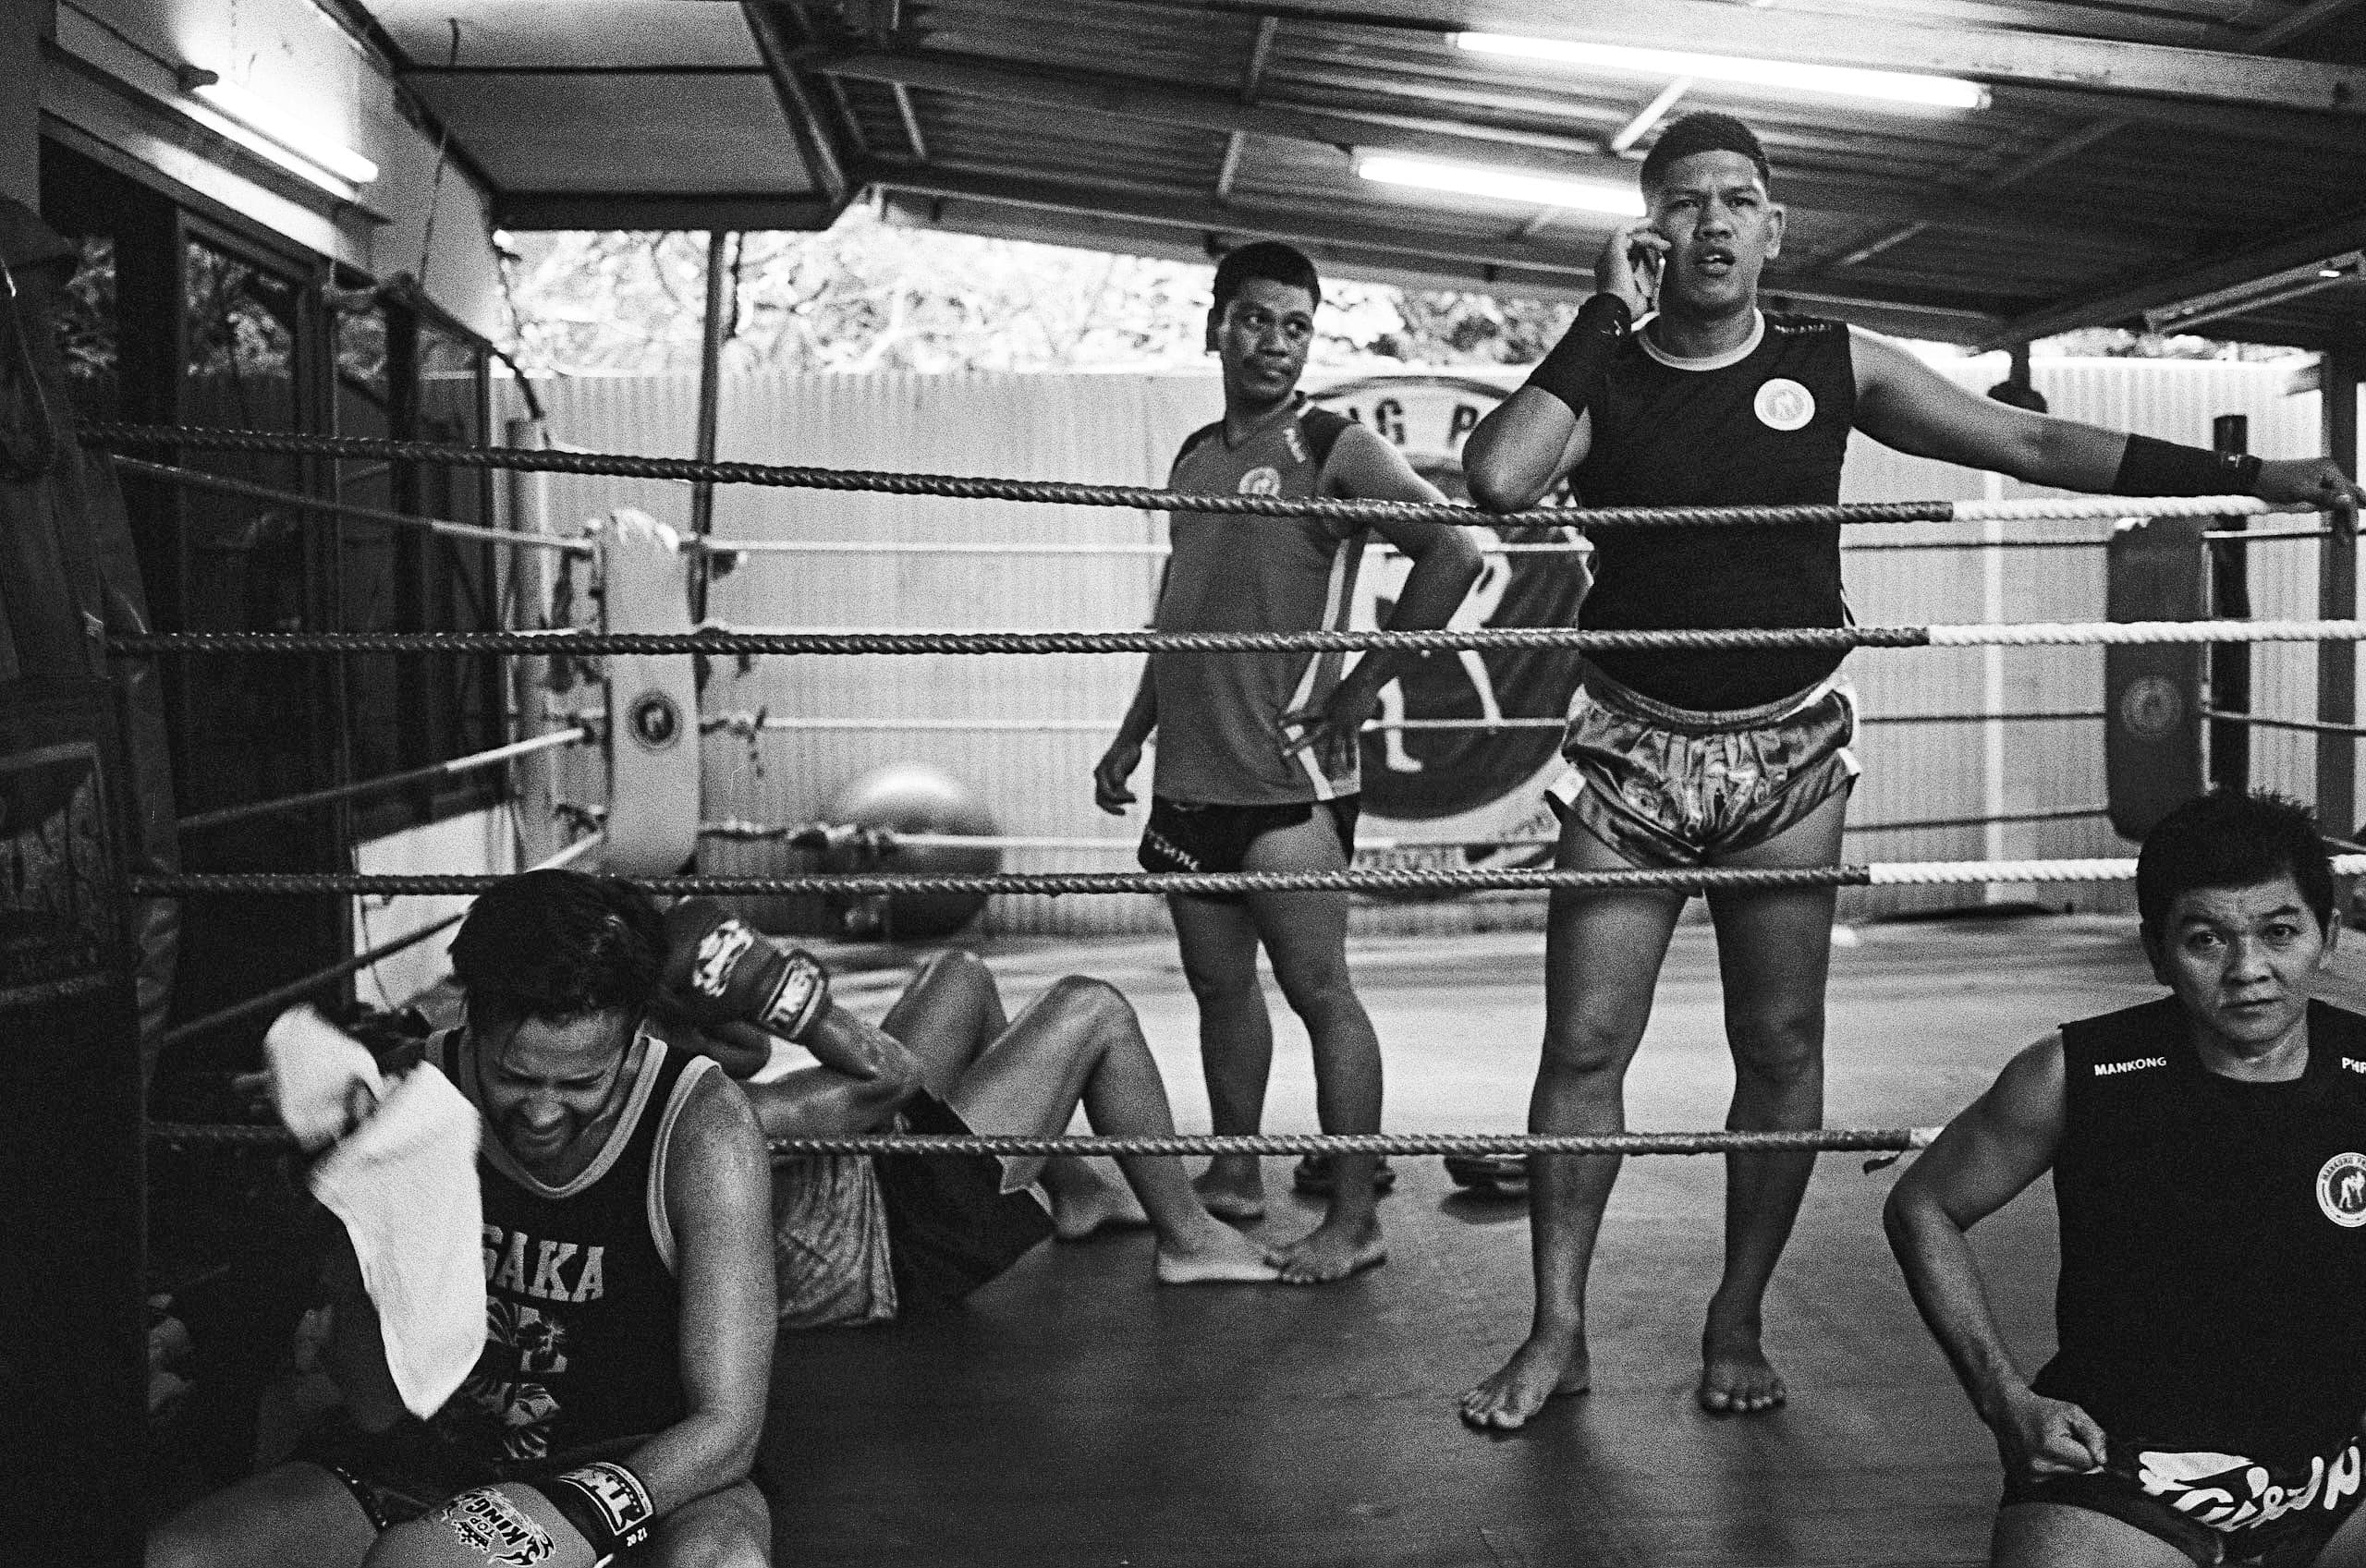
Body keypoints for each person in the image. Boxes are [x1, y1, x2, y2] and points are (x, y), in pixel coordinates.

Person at [1456, 110, 2366, 1429]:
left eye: (1741, 200)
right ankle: (1559, 1329)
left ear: (1777, 227)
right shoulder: (1605, 372)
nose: (1714, 223)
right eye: (1686, 202)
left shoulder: (1834, 360)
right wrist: (1603, 313)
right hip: (1630, 748)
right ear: (1652, 229)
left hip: (1786, 746)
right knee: (1586, 1042)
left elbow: (2033, 445)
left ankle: (1737, 1313)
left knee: (1778, 1043)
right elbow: (1497, 476)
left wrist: (2259, 471)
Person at [149, 869, 777, 1568]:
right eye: (515, 1076)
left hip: (638, 1469)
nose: (541, 1112)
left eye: (580, 1082)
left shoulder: (702, 1130)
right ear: (471, 1021)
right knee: (177, 1558)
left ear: (633, 1039)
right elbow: (374, 1406)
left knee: (720, 1563)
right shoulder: (415, 1099)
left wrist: (575, 1518)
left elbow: (729, 1426)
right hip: (428, 1468)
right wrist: (355, 1191)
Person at [1093, 239, 1483, 1283]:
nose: (1275, 341)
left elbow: (1454, 551)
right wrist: (1133, 731)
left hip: (1287, 782)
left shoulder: (1330, 442)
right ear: (1216, 324)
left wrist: (1362, 688)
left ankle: (1354, 1216)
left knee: (1320, 990)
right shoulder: (1193, 455)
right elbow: (1187, 611)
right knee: (1220, 988)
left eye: (1296, 325)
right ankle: (1232, 1173)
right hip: (1190, 773)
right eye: (1258, 318)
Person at [1886, 791, 2366, 1568]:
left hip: (2338, 1476)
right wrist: (2004, 1400)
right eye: (2206, 938)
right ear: (2156, 950)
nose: (2248, 970)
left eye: (2279, 932)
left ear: (2329, 936)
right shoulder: (2078, 1074)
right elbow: (1924, 1204)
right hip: (2124, 1475)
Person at [652, 901, 1278, 1326]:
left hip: (864, 1169)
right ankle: (1190, 1239)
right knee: (1094, 1008)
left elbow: (749, 1048)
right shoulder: (702, 1117)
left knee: (960, 975)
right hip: (896, 1240)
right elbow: (886, 1079)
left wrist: (689, 1001)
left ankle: (1077, 1188)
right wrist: (779, 989)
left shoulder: (634, 1055)